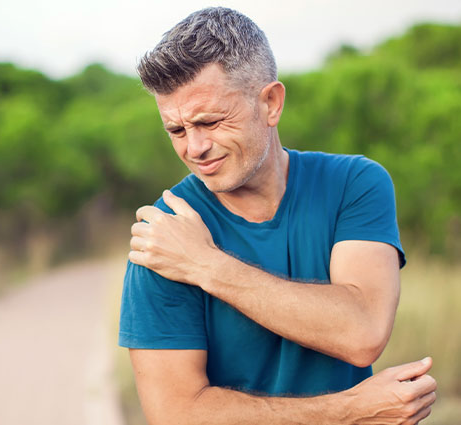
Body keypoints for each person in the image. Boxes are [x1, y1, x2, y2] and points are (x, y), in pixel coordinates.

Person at [118, 7, 437, 425]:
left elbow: (363, 332)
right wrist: (352, 411)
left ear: (271, 103)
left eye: (210, 122)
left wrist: (207, 266)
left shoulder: (354, 183)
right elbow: (178, 414)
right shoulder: (164, 237)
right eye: (176, 131)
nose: (194, 149)